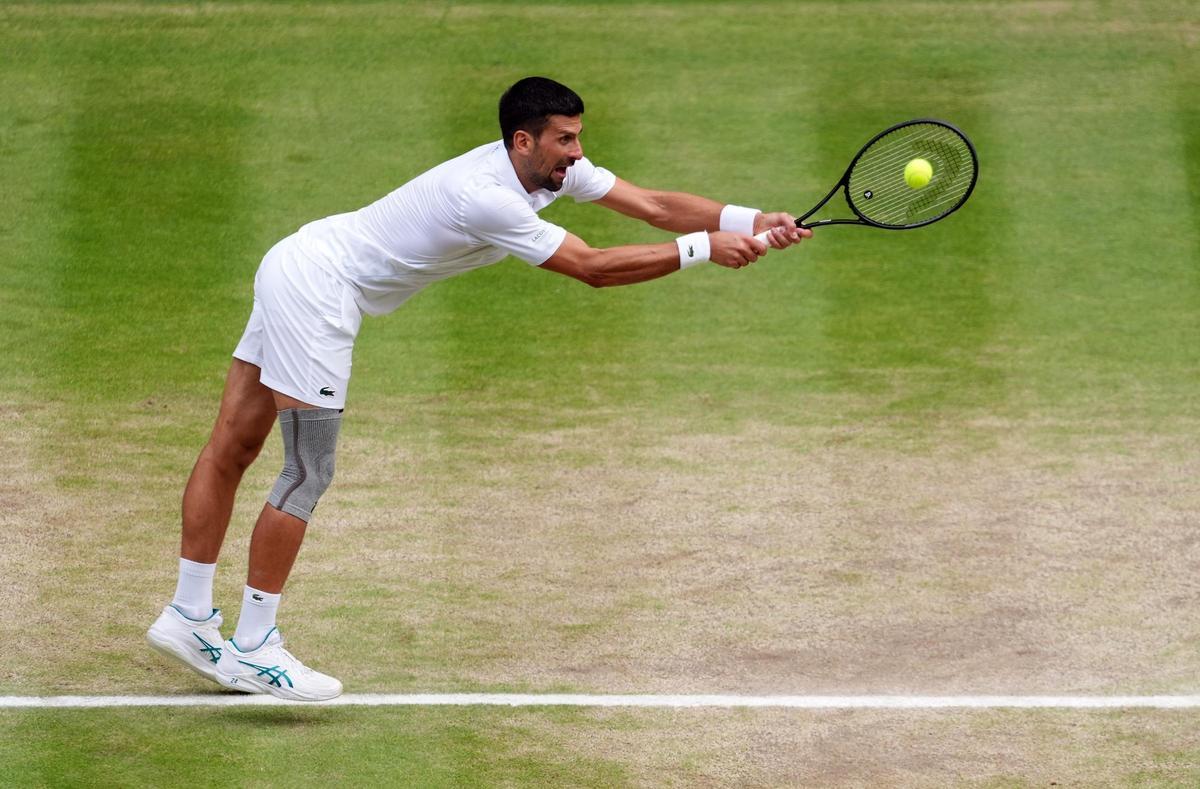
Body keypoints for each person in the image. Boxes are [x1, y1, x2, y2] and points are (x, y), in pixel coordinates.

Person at [145, 76, 812, 701]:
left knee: (234, 444)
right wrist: (702, 250)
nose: (576, 154)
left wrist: (754, 220)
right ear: (523, 141)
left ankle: (188, 614)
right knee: (306, 469)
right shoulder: (486, 197)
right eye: (564, 140)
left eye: (578, 138)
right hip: (318, 290)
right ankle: (254, 644)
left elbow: (655, 205)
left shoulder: (553, 170)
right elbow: (591, 268)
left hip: (297, 260)